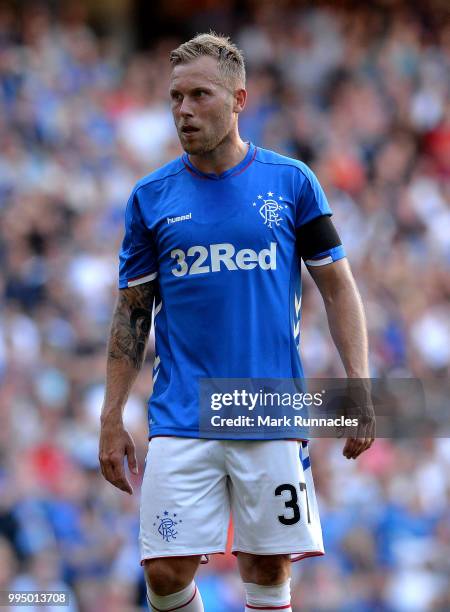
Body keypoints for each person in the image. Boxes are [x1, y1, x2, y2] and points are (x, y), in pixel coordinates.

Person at [99, 32, 375, 612]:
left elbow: (338, 288)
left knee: (267, 565)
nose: (184, 110)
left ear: (238, 100)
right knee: (164, 572)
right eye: (176, 97)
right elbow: (132, 312)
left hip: (270, 405)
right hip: (182, 409)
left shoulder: (292, 182)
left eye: (200, 95)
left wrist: (359, 382)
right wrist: (111, 414)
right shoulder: (150, 197)